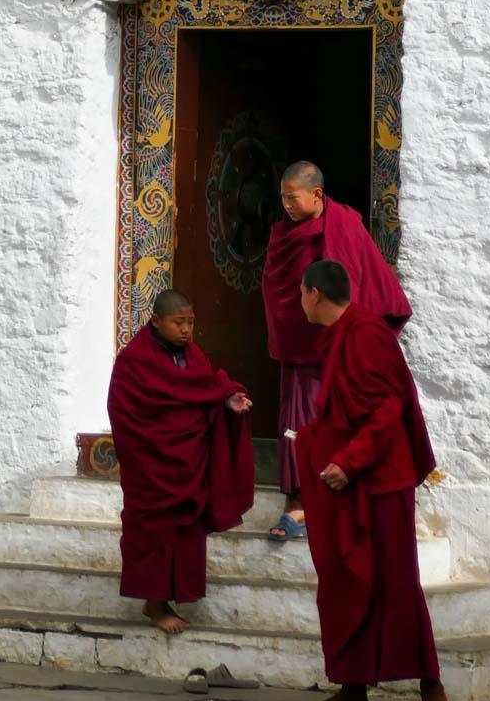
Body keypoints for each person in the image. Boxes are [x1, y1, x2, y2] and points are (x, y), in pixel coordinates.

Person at [294, 259, 447, 701]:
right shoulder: (340, 336)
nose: (300, 301)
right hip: (353, 477)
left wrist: (349, 460)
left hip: (381, 480)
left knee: (396, 583)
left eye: (301, 293)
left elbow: (387, 407)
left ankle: (430, 685)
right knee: (344, 578)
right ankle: (352, 685)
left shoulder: (365, 334)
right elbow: (347, 410)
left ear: (314, 294)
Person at [261, 160, 412, 543]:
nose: (287, 206)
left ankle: (333, 494)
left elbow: (366, 278)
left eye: (293, 198)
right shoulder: (283, 234)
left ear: (316, 194)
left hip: (338, 348)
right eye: (283, 199)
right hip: (301, 348)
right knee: (298, 420)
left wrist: (355, 334)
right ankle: (297, 500)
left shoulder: (346, 226)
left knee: (337, 419)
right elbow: (277, 290)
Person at [108, 289, 254, 634]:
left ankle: (167, 597)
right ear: (156, 321)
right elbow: (122, 411)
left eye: (190, 323)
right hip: (153, 465)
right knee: (154, 532)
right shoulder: (134, 362)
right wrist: (152, 445)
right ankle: (155, 604)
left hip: (188, 464)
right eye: (178, 323)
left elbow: (206, 391)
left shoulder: (195, 356)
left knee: (186, 531)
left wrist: (228, 403)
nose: (186, 330)